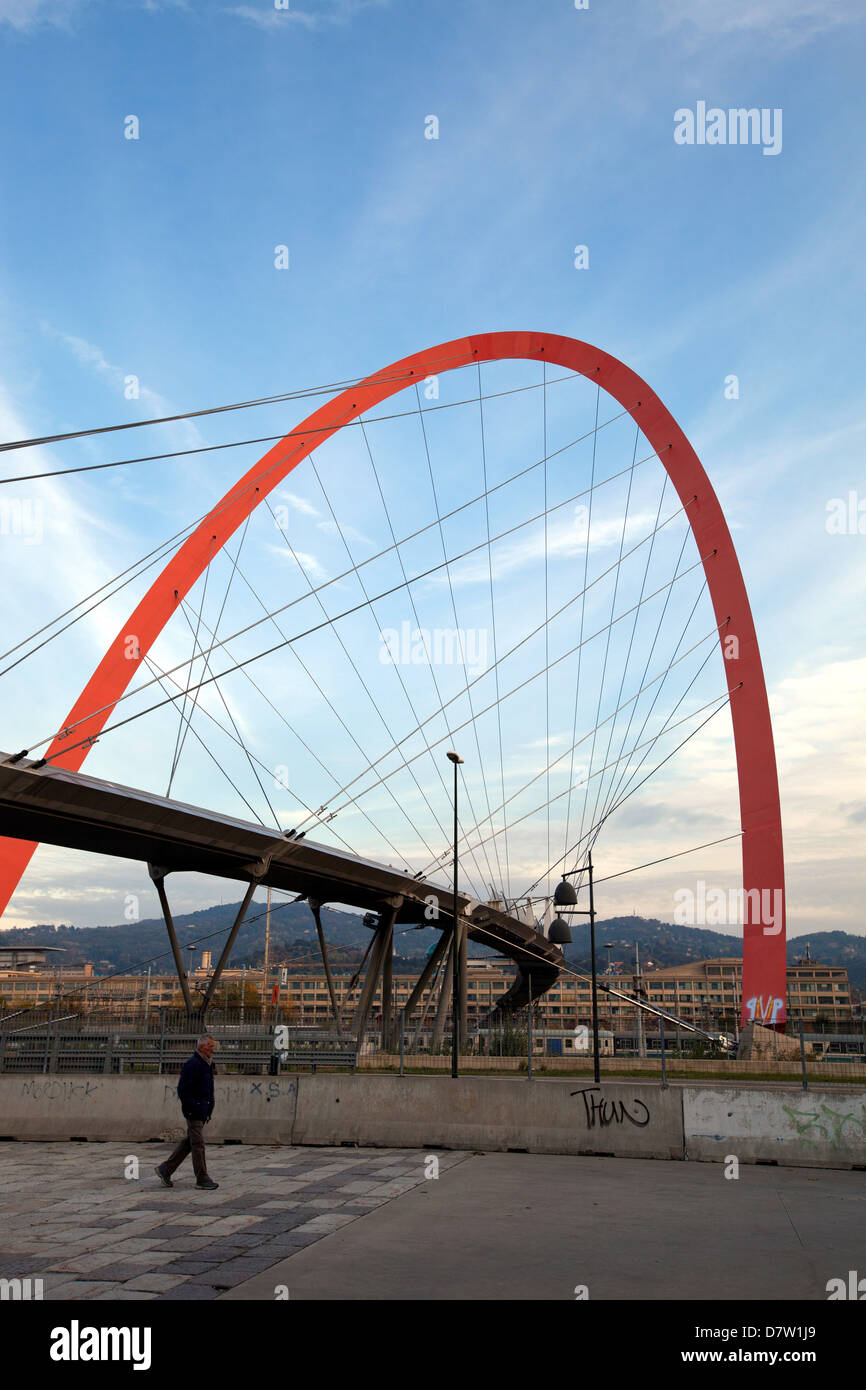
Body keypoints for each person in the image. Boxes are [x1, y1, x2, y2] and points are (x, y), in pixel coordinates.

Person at [155, 1034, 219, 1191]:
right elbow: (183, 1090)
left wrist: (209, 1106)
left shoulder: (207, 1064)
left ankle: (165, 1169)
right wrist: (194, 1106)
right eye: (210, 1046)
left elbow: (208, 1088)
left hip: (203, 1109)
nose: (213, 1049)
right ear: (202, 1047)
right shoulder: (193, 1064)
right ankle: (202, 1178)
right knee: (198, 1144)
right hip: (194, 1110)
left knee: (189, 1143)